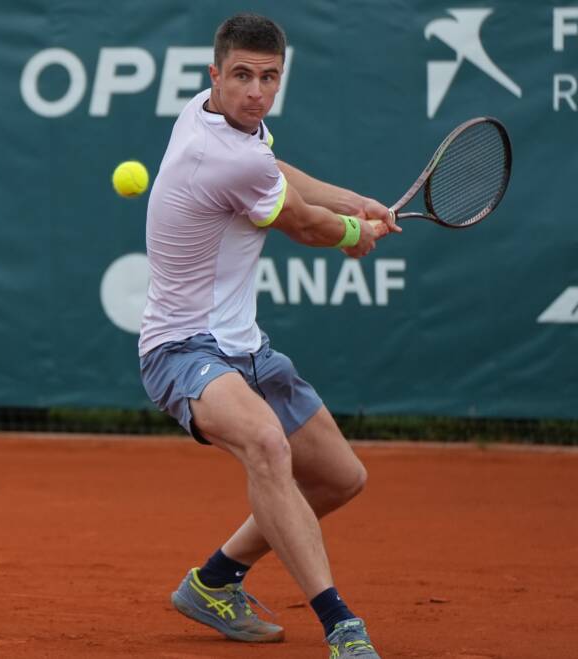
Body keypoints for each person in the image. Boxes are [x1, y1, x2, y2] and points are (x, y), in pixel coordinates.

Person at [138, 12, 398, 658]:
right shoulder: (218, 154)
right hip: (181, 348)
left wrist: (356, 201)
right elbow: (303, 222)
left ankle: (214, 580)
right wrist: (350, 232)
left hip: (247, 347)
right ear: (216, 75)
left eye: (269, 78)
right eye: (243, 76)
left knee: (342, 477)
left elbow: (275, 169)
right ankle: (341, 623)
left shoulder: (213, 118)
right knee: (265, 443)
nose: (256, 91)